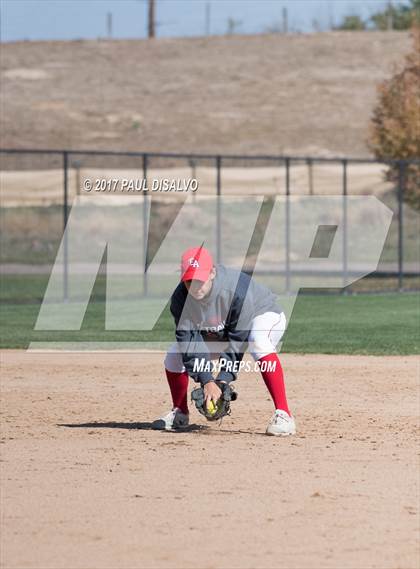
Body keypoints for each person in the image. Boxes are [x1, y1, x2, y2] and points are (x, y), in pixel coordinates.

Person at [152, 246, 295, 436]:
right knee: (174, 355)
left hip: (264, 313)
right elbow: (189, 342)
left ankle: (284, 415)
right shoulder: (181, 299)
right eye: (189, 281)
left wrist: (222, 380)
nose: (195, 286)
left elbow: (237, 341)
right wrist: (207, 381)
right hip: (222, 330)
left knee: (257, 340)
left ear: (212, 272)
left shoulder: (235, 292)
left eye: (199, 280)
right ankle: (180, 412)